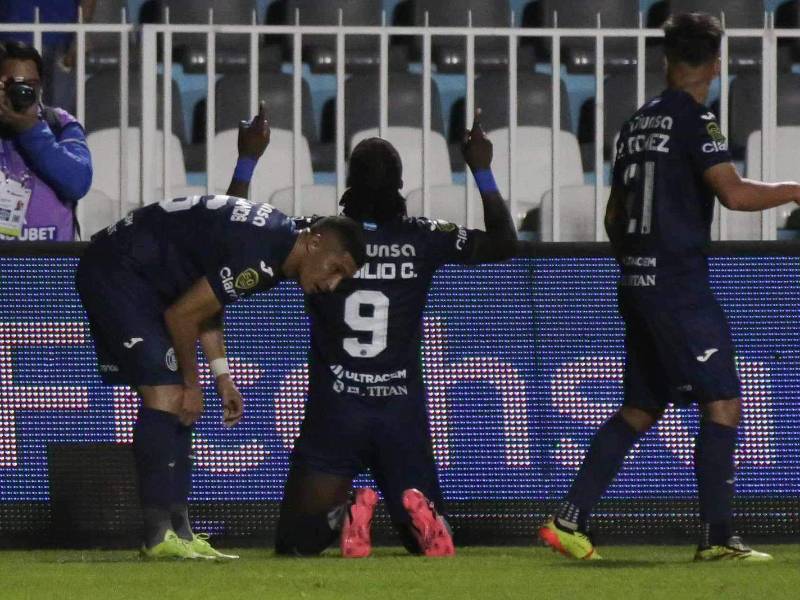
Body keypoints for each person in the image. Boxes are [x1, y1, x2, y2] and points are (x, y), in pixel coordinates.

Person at [538, 12, 800, 562]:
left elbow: (614, 215)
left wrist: (637, 266)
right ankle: (717, 538)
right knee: (723, 401)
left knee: (641, 406)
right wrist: (794, 189)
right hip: (678, 285)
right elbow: (733, 194)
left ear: (666, 61)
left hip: (636, 282)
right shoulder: (696, 119)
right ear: (717, 64)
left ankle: (568, 519)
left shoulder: (635, 124)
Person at [75, 104, 366, 560]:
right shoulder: (265, 256)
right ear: (314, 242)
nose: (331, 284)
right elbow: (182, 316)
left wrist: (222, 375)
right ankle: (158, 537)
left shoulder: (275, 242)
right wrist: (195, 385)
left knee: (176, 400)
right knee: (168, 395)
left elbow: (205, 303)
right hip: (119, 273)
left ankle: (180, 532)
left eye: (341, 280)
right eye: (335, 269)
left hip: (145, 279)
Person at [248, 109, 515, 558]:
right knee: (422, 542)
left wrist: (248, 160)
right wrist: (481, 169)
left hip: (336, 408)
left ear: (349, 185)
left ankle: (344, 512)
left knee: (296, 543)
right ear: (399, 186)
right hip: (400, 410)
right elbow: (504, 243)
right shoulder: (424, 237)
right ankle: (418, 518)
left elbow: (239, 235)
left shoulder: (317, 238)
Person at [0, 40, 91, 241]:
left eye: (30, 85)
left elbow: (77, 183)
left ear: (41, 86)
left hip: (51, 258)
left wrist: (31, 129)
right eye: (13, 85)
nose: (23, 92)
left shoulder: (59, 123)